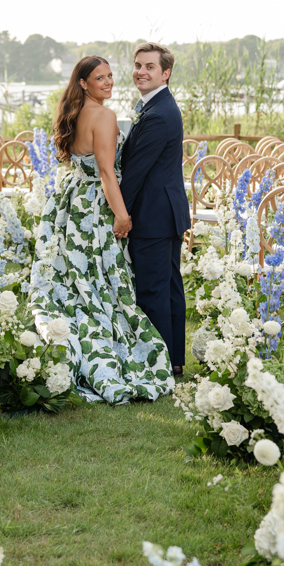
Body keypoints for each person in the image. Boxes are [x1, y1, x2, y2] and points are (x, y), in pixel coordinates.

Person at [28, 55, 174, 404]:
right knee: (100, 276)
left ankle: (71, 335)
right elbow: (107, 173)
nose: (108, 82)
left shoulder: (74, 113)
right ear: (83, 83)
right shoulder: (105, 116)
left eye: (110, 76)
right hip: (94, 204)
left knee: (78, 276)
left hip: (70, 201)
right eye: (99, 78)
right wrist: (121, 216)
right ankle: (106, 352)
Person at [119, 42, 190, 377]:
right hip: (165, 211)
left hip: (154, 215)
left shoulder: (160, 114)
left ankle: (159, 365)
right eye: (137, 65)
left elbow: (135, 173)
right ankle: (174, 360)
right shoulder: (150, 105)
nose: (140, 72)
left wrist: (120, 213)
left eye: (149, 67)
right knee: (168, 287)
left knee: (153, 290)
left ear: (166, 72)